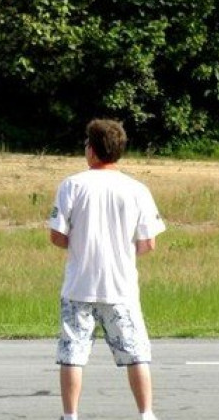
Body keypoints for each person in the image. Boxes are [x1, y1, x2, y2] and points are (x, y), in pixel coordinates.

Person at [47, 119, 166, 420]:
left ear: (93, 150)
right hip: (120, 287)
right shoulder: (137, 189)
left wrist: (81, 244)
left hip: (79, 286)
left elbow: (57, 237)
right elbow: (148, 243)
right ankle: (146, 413)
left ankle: (70, 414)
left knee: (72, 353)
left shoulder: (72, 185)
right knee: (136, 352)